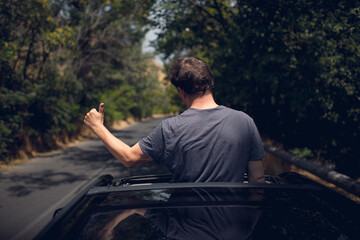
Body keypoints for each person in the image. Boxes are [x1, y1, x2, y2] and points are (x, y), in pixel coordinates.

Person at [84, 57, 265, 183]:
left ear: (181, 91)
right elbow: (257, 181)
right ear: (211, 83)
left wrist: (98, 126)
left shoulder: (170, 128)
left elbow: (128, 157)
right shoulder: (245, 122)